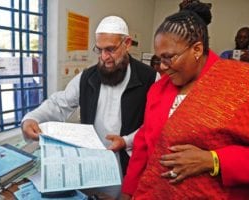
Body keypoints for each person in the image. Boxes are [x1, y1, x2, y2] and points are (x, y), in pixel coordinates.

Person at [121, 2, 249, 200]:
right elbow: (144, 143)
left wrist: (213, 160)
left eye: (169, 58)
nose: (163, 67)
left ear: (197, 49)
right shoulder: (158, 90)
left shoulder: (241, 84)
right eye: (159, 59)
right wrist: (129, 191)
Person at [21, 15, 156, 198]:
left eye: (110, 49)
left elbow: (154, 126)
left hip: (127, 164)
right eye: (99, 50)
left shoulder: (149, 79)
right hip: (91, 165)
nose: (104, 57)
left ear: (127, 43)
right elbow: (60, 103)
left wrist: (126, 140)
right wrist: (31, 119)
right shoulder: (88, 77)